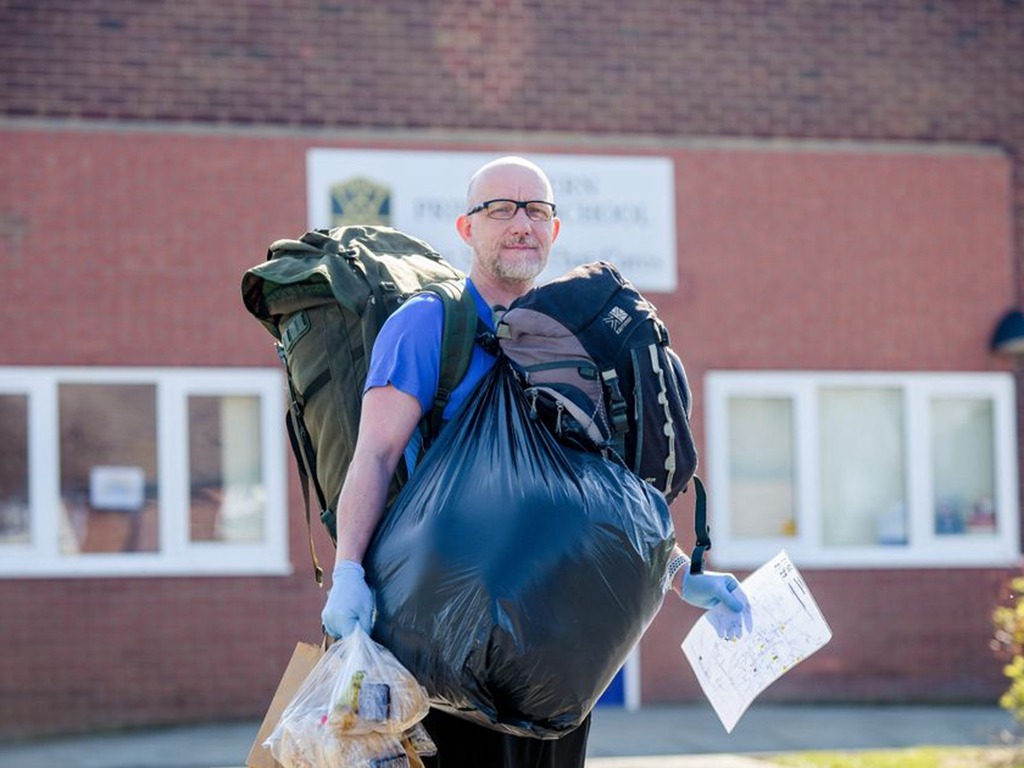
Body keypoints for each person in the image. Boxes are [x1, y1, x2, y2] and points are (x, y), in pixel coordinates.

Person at [320, 155, 751, 767]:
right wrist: (348, 573)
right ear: (467, 229)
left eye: (536, 210)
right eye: (500, 208)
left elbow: (599, 500)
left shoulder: (577, 345)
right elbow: (374, 455)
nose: (520, 223)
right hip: (440, 642)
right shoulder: (429, 326)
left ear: (554, 228)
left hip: (555, 654)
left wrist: (682, 575)